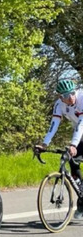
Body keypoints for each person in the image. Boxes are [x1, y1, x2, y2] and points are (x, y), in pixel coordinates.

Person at [35, 78, 83, 219]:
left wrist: (73, 144)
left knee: (73, 152)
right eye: (67, 96)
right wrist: (44, 144)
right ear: (60, 97)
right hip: (81, 137)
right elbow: (54, 124)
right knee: (71, 160)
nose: (71, 98)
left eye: (72, 93)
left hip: (81, 132)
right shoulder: (59, 105)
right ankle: (82, 201)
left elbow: (81, 124)